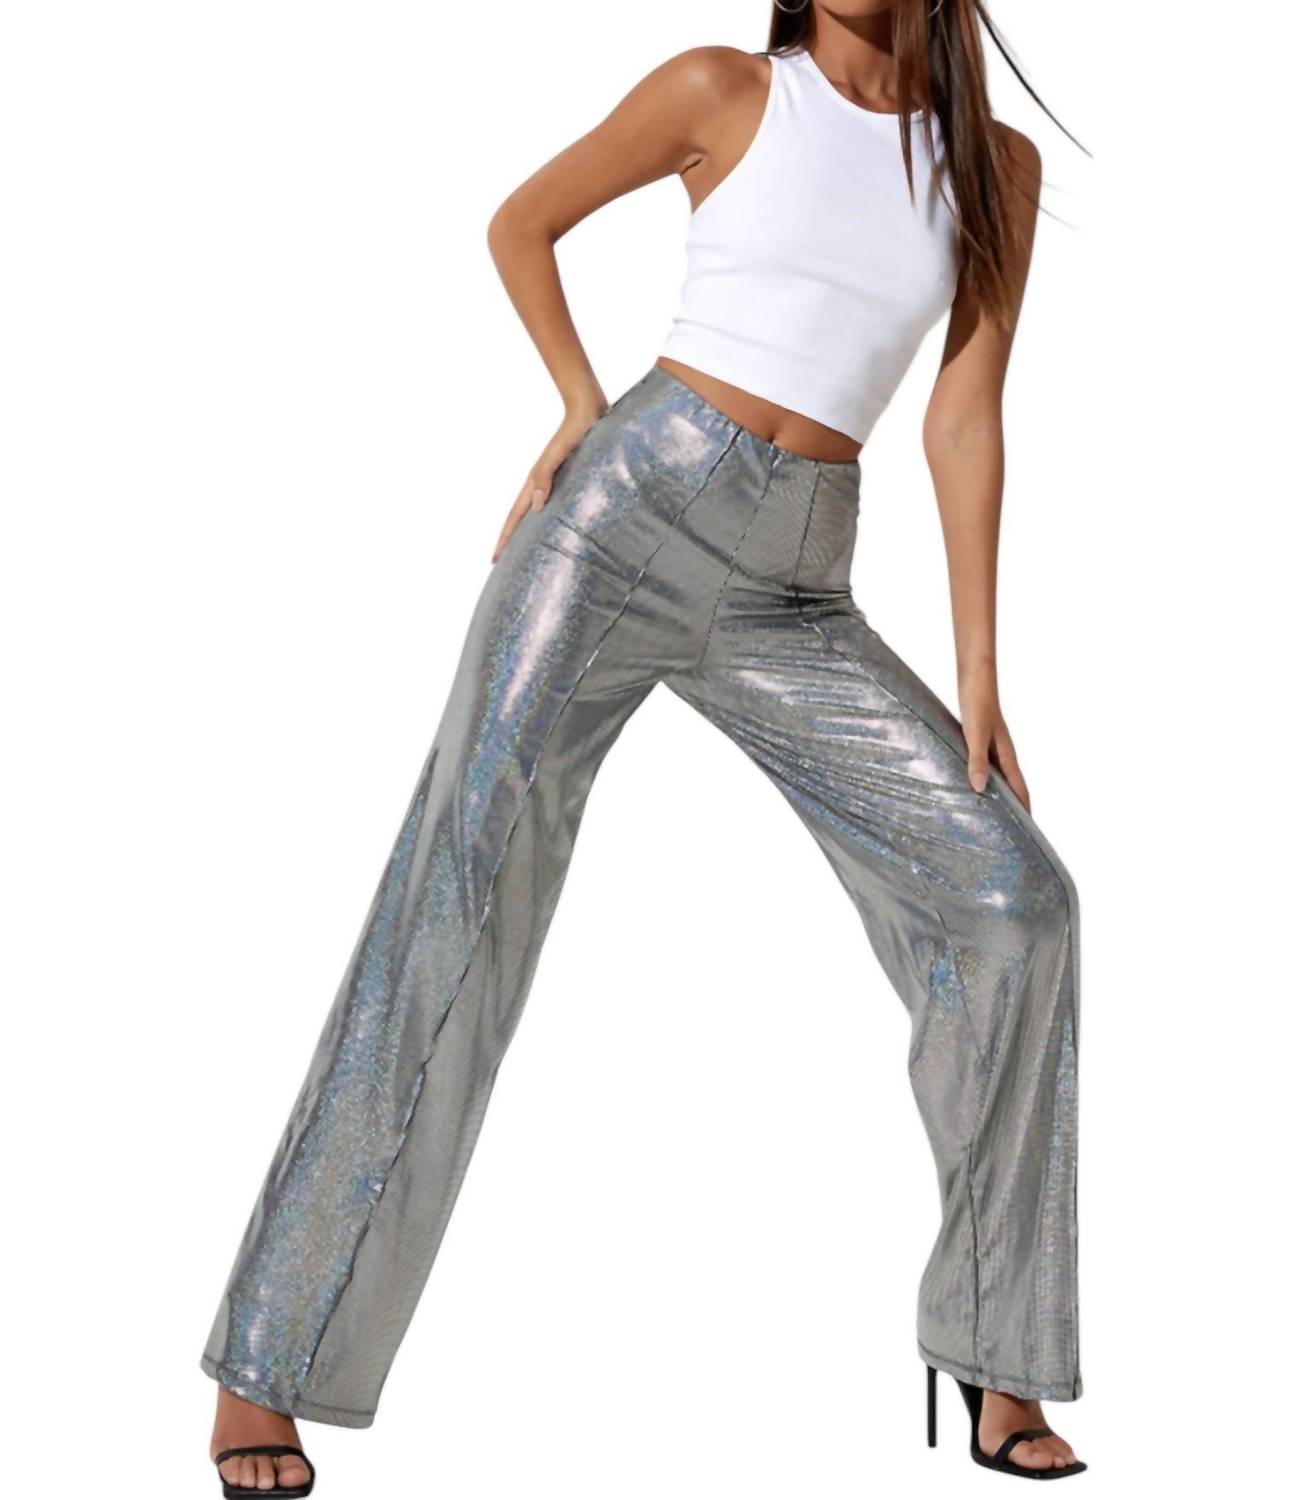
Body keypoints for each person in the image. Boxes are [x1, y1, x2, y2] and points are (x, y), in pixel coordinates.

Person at [205, 3, 1087, 1491]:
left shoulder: (992, 164)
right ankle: (270, 1364)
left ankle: (996, 1352)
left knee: (1014, 904)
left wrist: (981, 668)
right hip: (621, 523)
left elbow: (963, 416)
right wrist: (575, 401)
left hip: (800, 586)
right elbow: (523, 223)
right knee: (455, 910)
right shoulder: (722, 89)